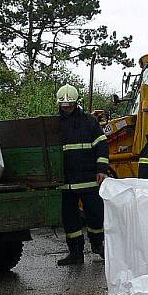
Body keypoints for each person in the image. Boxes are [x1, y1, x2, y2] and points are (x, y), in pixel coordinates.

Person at [57, 84, 110, 266]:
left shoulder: (89, 122)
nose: (67, 108)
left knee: (95, 216)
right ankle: (75, 253)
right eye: (64, 105)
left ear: (76, 102)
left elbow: (102, 145)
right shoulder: (54, 124)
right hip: (66, 183)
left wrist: (102, 169)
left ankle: (98, 246)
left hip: (88, 180)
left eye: (70, 104)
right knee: (70, 220)